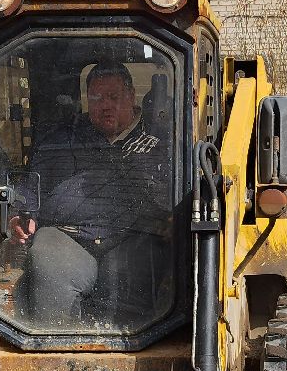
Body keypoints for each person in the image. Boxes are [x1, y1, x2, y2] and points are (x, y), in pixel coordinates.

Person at [11, 61, 173, 325]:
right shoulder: (63, 139)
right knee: (47, 259)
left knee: (135, 272)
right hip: (66, 235)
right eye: (97, 98)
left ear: (131, 96)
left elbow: (170, 199)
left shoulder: (159, 143)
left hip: (133, 238)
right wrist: (22, 213)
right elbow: (31, 185)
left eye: (113, 97)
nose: (105, 105)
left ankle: (126, 351)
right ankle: (53, 347)